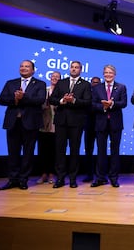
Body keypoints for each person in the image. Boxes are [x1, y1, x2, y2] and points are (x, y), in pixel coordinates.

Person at [0, 60, 46, 190]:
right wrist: (14, 99)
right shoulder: (11, 83)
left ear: (33, 70)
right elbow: (1, 99)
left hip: (30, 123)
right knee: (13, 152)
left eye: (27, 66)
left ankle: (23, 179)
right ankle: (13, 179)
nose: (23, 68)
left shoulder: (40, 84)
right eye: (22, 66)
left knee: (28, 153)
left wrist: (22, 98)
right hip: (13, 122)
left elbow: (40, 100)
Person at [49, 60, 92, 188]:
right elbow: (52, 99)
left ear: (81, 70)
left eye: (76, 67)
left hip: (76, 122)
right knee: (60, 150)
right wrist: (62, 100)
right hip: (61, 121)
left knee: (74, 151)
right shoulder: (61, 82)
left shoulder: (85, 84)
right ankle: (60, 178)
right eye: (72, 67)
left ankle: (73, 178)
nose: (73, 69)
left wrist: (73, 100)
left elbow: (87, 102)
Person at [90, 65, 127, 188]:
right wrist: (103, 106)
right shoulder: (97, 88)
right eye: (106, 73)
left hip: (115, 124)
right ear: (103, 74)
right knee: (101, 151)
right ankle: (100, 177)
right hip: (101, 123)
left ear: (114, 74)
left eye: (110, 73)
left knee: (115, 152)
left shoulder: (121, 87)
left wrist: (112, 104)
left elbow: (124, 103)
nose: (108, 75)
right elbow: (92, 104)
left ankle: (113, 178)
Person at [37, 71, 61, 184]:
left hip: (56, 125)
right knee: (43, 150)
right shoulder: (44, 90)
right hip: (43, 124)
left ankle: (52, 174)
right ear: (50, 77)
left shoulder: (61, 92)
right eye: (53, 76)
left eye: (57, 77)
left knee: (54, 151)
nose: (55, 78)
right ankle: (43, 174)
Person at [82, 76, 101, 183]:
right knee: (88, 151)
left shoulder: (102, 93)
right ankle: (89, 174)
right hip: (89, 126)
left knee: (100, 151)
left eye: (97, 83)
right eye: (93, 82)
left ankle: (100, 174)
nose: (95, 84)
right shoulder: (87, 94)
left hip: (100, 125)